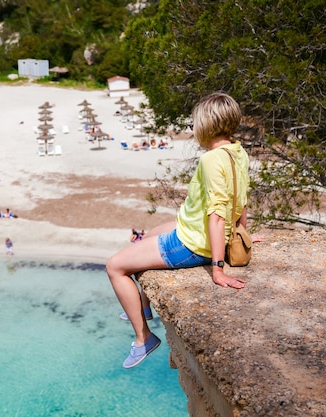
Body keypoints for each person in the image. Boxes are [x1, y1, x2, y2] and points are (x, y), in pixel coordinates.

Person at [106, 93, 250, 369]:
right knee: (146, 237)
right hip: (193, 229)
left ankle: (143, 338)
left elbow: (218, 214)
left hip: (190, 244)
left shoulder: (210, 160)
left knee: (115, 266)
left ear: (204, 125)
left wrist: (218, 269)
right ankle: (144, 307)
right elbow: (241, 196)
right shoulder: (238, 151)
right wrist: (241, 232)